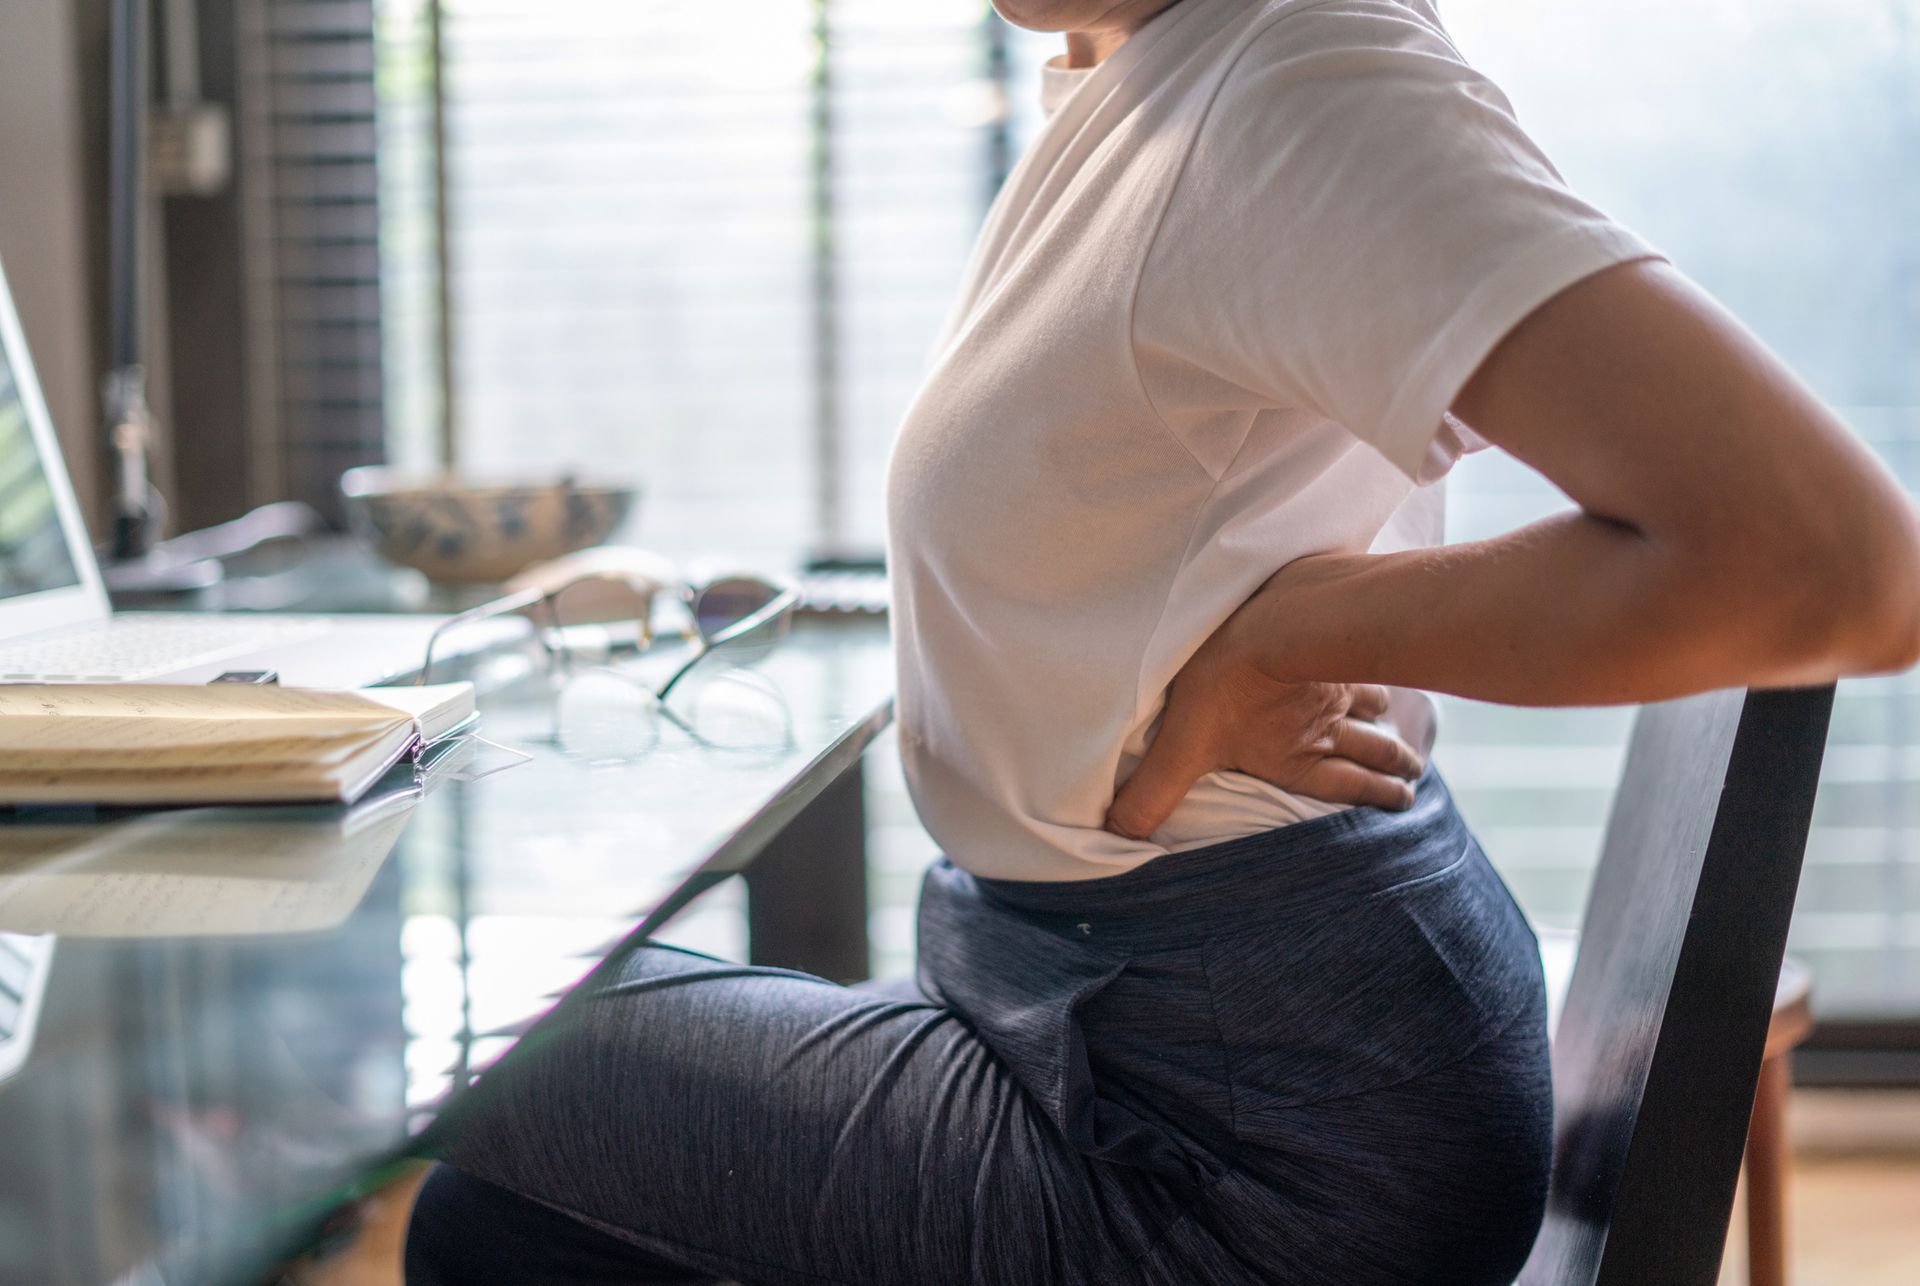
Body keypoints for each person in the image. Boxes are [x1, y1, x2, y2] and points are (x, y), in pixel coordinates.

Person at [402, 1, 1920, 1282]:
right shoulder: (1159, 76)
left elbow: (1833, 565)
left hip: (1246, 1135)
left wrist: (1297, 632)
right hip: (1129, 1027)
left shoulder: (1306, 89)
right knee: (501, 1209)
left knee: (453, 1047)